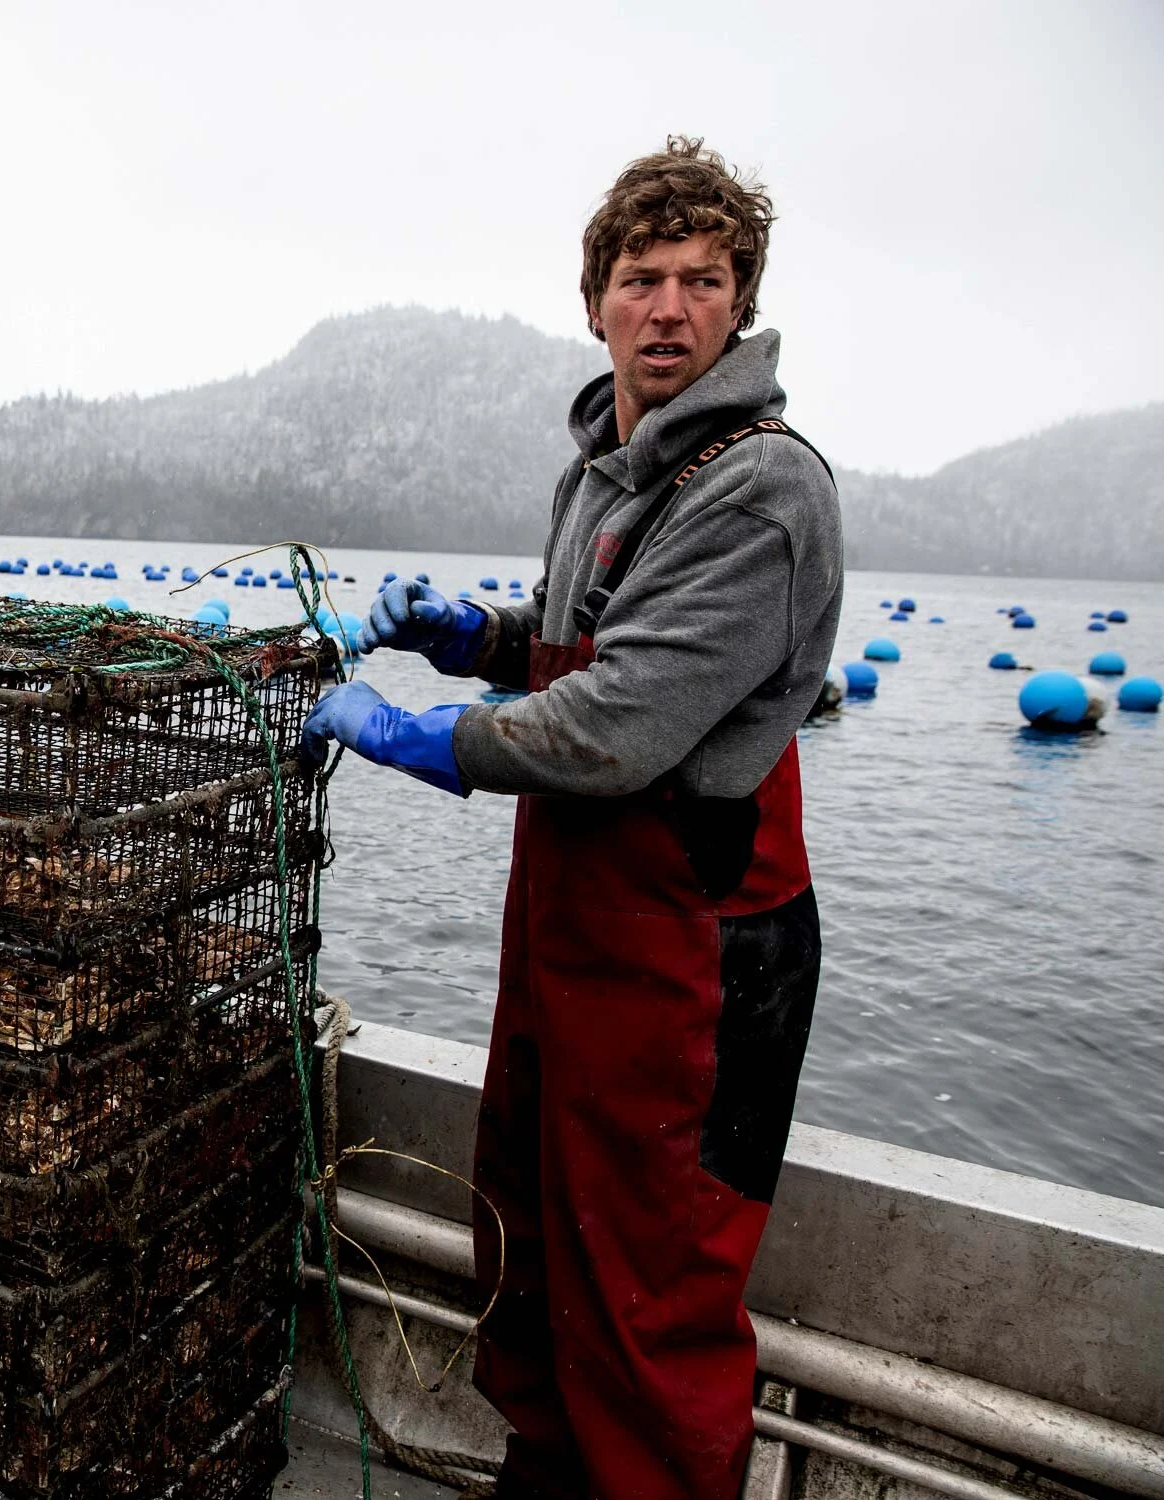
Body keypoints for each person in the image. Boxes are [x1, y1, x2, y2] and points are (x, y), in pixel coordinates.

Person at [303, 139, 842, 1499]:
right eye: (642, 277)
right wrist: (473, 639)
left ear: (741, 303)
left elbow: (616, 724)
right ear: (593, 298)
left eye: (703, 281)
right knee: (534, 1233)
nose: (669, 308)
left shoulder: (760, 486)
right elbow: (581, 645)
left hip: (693, 959)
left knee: (651, 1289)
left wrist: (415, 737)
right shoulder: (605, 464)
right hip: (572, 929)